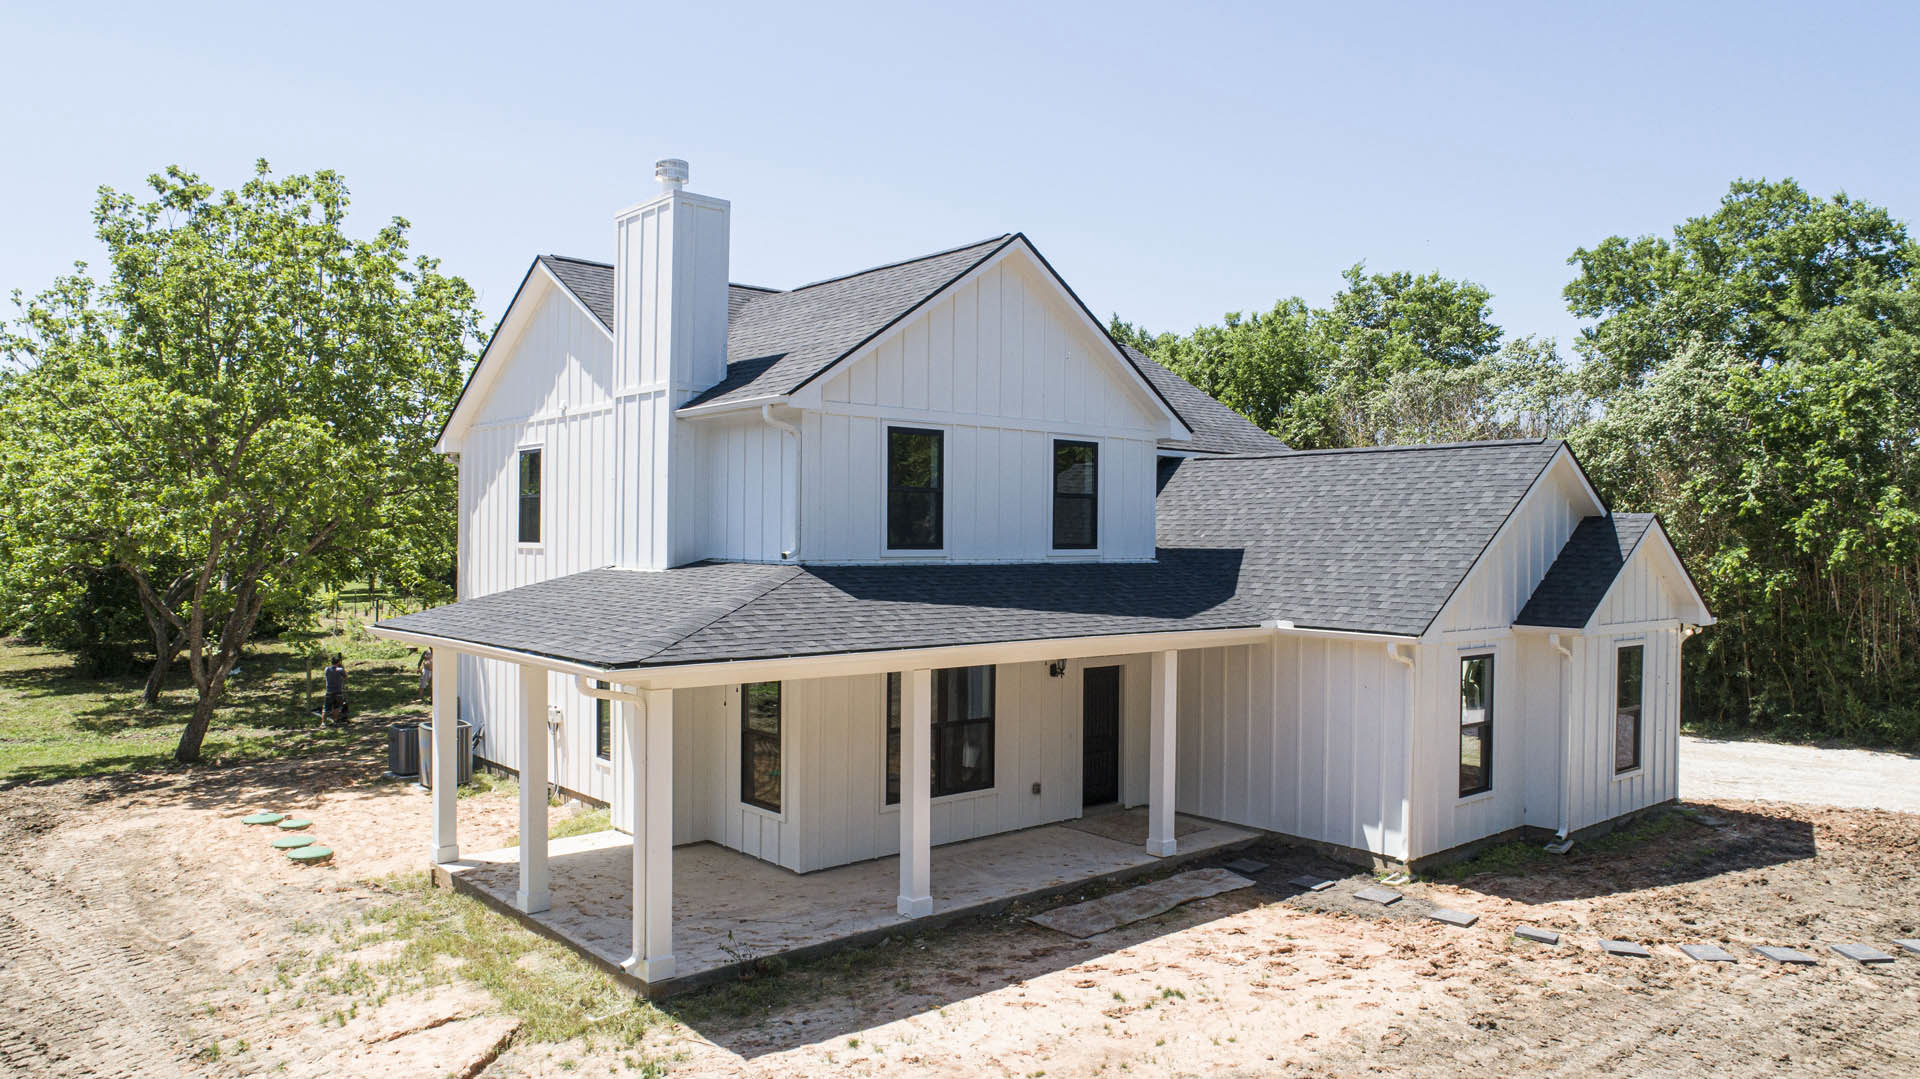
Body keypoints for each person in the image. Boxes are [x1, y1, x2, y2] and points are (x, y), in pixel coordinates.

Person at [323, 653, 348, 724]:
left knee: (326, 708)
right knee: (336, 707)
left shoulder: (327, 669)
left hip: (329, 691)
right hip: (338, 690)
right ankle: (335, 720)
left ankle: (323, 723)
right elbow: (345, 676)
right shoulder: (340, 669)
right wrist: (342, 668)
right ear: (338, 662)